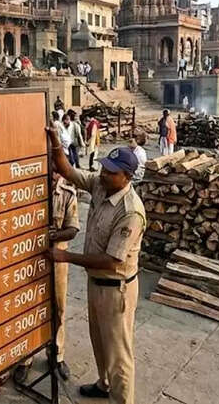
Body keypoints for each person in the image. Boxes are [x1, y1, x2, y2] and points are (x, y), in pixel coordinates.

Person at [45, 132, 145, 404]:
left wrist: (66, 257)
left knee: (119, 354)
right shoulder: (101, 185)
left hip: (117, 289)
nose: (104, 174)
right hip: (97, 283)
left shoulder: (130, 212)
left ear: (127, 177)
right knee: (99, 341)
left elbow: (112, 260)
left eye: (111, 172)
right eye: (104, 168)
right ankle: (104, 384)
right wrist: (55, 142)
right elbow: (68, 171)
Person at [13, 173, 79, 383]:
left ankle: (57, 355)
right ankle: (25, 358)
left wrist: (54, 235)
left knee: (58, 308)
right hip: (30, 258)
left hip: (57, 259)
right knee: (29, 307)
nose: (53, 172)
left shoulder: (67, 194)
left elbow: (73, 229)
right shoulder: (27, 190)